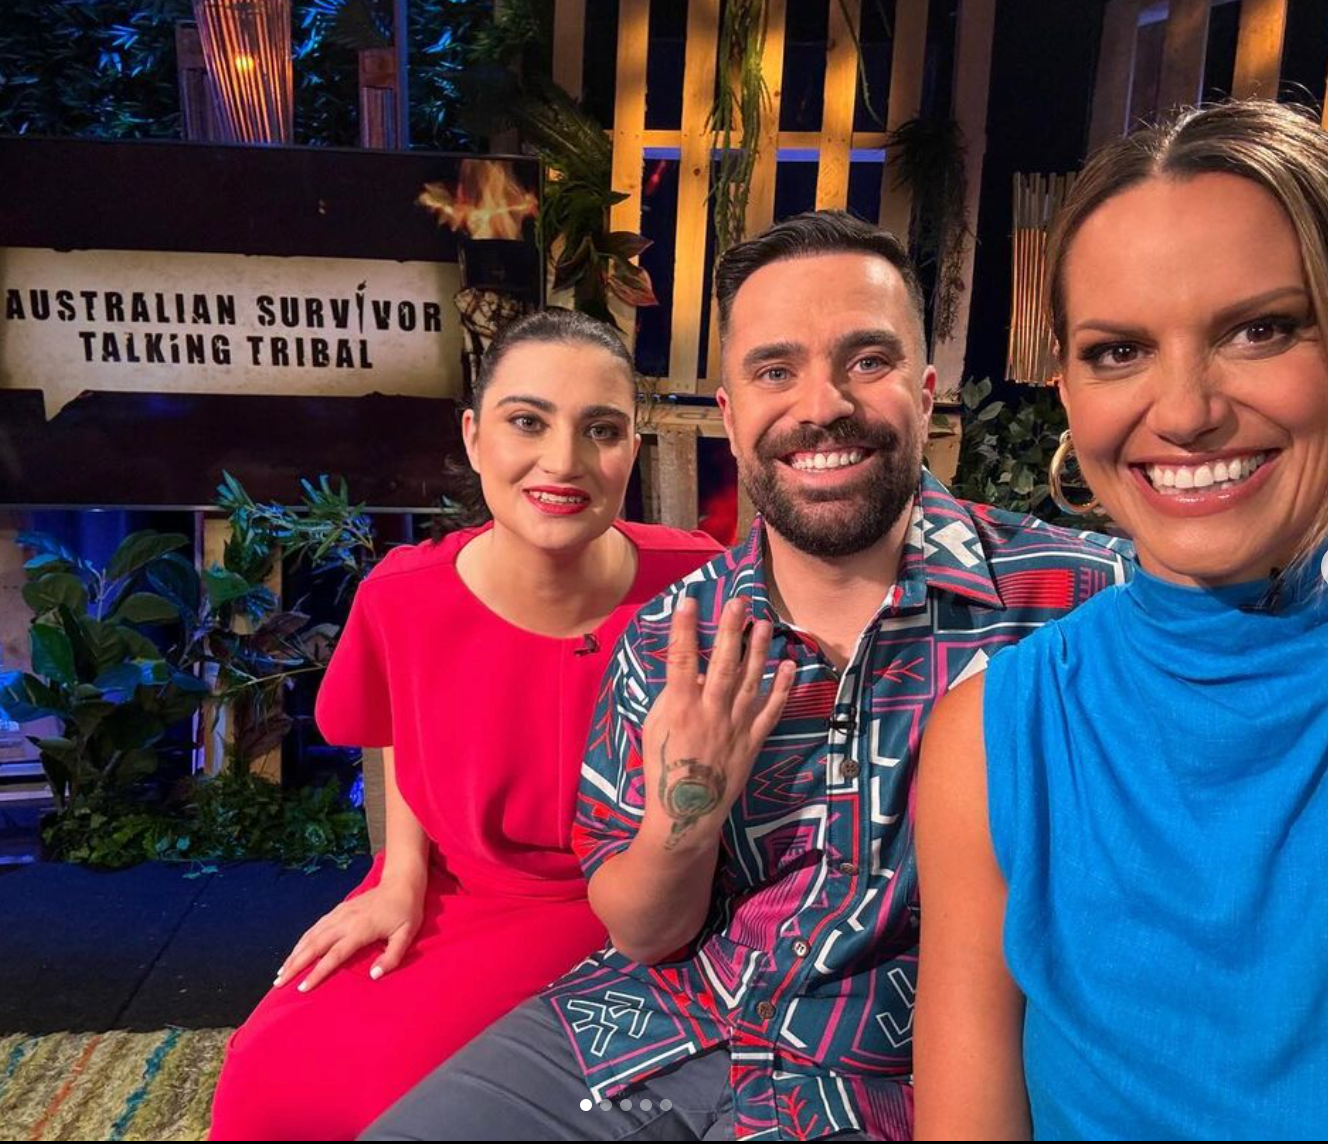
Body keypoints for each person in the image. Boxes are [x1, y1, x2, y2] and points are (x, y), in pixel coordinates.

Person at [364, 210, 1131, 1142]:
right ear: (730, 414)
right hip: (650, 1032)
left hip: (894, 1072)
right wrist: (689, 809)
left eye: (867, 361)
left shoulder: (1081, 600)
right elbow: (641, 932)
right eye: (775, 371)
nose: (821, 405)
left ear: (927, 394)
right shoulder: (671, 635)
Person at [914, 99, 1328, 1141]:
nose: (1183, 409)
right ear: (1064, 388)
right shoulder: (991, 741)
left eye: (1257, 328)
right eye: (1118, 350)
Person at [207, 309, 723, 1140]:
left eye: (602, 429)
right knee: (268, 1074)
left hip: (637, 913)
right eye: (528, 421)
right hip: (463, 892)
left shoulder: (699, 581)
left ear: (633, 446)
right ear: (475, 436)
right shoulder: (404, 594)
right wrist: (400, 876)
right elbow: (397, 728)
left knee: (412, 1103)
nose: (564, 461)